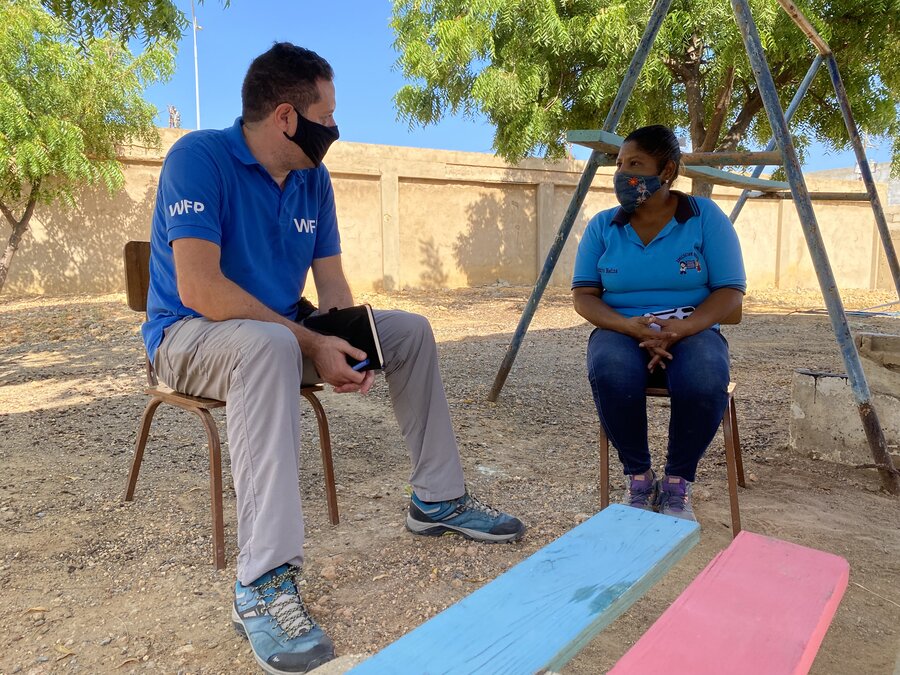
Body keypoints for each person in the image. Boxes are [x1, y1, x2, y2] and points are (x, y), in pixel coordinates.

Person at [142, 43, 525, 674]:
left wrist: (351, 340)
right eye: (330, 114)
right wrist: (310, 343)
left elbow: (334, 292)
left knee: (409, 331)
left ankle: (437, 500)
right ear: (288, 116)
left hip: (276, 335)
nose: (336, 129)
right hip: (189, 337)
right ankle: (261, 582)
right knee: (267, 345)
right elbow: (200, 289)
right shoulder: (198, 158)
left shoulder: (313, 181)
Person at [571, 125, 746, 523]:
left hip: (692, 328)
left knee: (704, 378)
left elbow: (730, 293)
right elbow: (583, 296)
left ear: (666, 170)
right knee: (611, 372)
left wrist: (681, 329)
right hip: (622, 328)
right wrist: (631, 328)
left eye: (635, 164)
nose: (622, 174)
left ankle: (677, 483)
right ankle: (639, 477)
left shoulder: (704, 218)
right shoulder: (603, 226)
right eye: (619, 164)